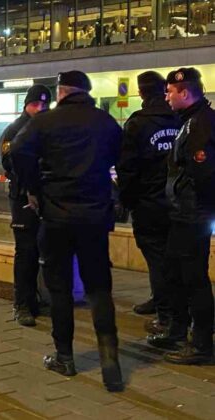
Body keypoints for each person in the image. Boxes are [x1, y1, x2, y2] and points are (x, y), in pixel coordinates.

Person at [10, 70, 124, 392]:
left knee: (59, 287)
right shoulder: (104, 121)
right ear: (86, 92)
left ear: (61, 91)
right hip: (94, 216)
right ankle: (109, 358)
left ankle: (65, 356)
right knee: (99, 286)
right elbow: (122, 155)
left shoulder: (45, 122)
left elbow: (18, 151)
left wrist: (34, 188)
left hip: (57, 215)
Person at [156, 67, 214, 365]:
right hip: (184, 215)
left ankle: (202, 343)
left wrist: (198, 212)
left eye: (170, 92)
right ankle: (178, 331)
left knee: (194, 280)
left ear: (185, 92)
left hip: (194, 216)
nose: (166, 97)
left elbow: (202, 174)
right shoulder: (189, 121)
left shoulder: (200, 124)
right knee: (175, 274)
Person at [117, 71, 182, 332]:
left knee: (157, 259)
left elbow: (127, 168)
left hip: (148, 203)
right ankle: (163, 302)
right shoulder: (180, 119)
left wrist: (128, 200)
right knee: (173, 257)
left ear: (141, 92)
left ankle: (166, 317)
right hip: (176, 201)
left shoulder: (137, 123)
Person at [0, 85, 52, 327]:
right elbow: (11, 165)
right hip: (22, 197)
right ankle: (22, 303)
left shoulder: (47, 127)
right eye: (36, 104)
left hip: (44, 196)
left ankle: (34, 298)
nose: (40, 108)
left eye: (44, 104)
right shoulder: (14, 131)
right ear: (26, 104)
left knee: (42, 249)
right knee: (26, 250)